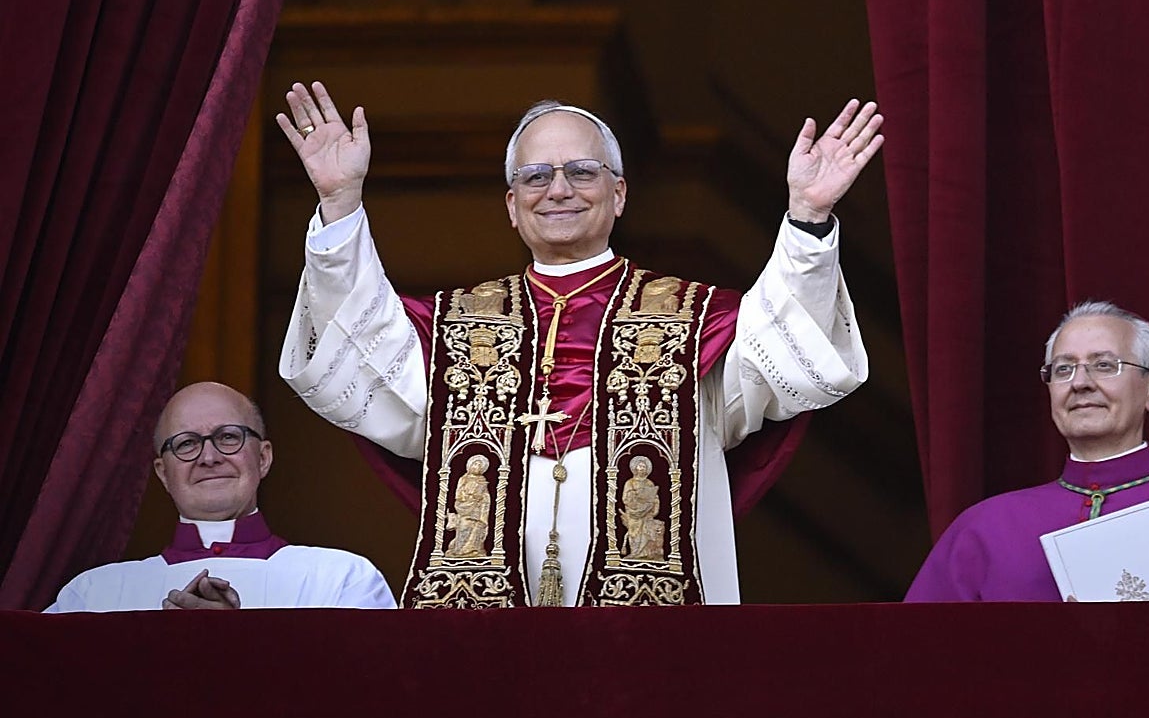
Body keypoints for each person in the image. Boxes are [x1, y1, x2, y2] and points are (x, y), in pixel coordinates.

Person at [276, 82, 882, 607]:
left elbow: (786, 344)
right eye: (535, 176)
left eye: (581, 171)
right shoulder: (456, 325)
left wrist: (806, 215)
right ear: (512, 207)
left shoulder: (696, 320)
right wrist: (340, 204)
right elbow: (357, 349)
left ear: (619, 194)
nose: (558, 189)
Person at [906, 301, 1149, 602]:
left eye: (1104, 365)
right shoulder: (986, 528)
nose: (1080, 383)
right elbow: (916, 644)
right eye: (1063, 369)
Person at [45, 382, 396, 611]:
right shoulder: (92, 595)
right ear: (163, 474)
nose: (209, 457)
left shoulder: (342, 580)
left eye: (228, 437)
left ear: (263, 458)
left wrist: (239, 644)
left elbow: (370, 699)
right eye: (185, 444)